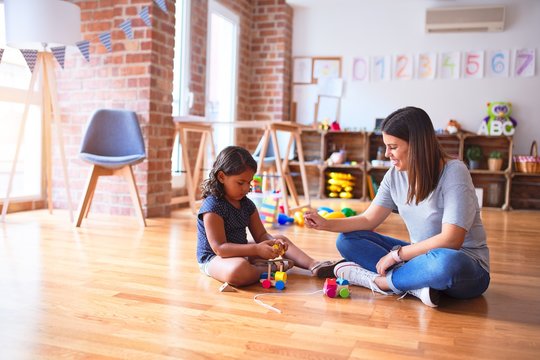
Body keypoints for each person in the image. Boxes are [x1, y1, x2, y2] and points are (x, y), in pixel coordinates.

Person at [304, 107, 490, 307]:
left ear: (417, 145)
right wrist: (325, 224)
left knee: (444, 262)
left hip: (464, 267)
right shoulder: (394, 175)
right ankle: (417, 285)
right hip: (418, 258)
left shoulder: (454, 172)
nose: (386, 154)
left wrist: (396, 255)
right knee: (348, 240)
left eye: (393, 147)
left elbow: (451, 240)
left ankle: (382, 282)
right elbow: (368, 220)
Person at [197, 145, 338, 287]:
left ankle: (314, 265)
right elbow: (220, 248)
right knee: (238, 270)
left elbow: (261, 235)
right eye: (240, 183)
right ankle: (268, 268)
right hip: (214, 259)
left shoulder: (247, 205)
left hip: (241, 251)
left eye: (249, 182)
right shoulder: (213, 207)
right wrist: (256, 249)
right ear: (221, 177)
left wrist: (274, 243)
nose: (246, 188)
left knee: (279, 238)